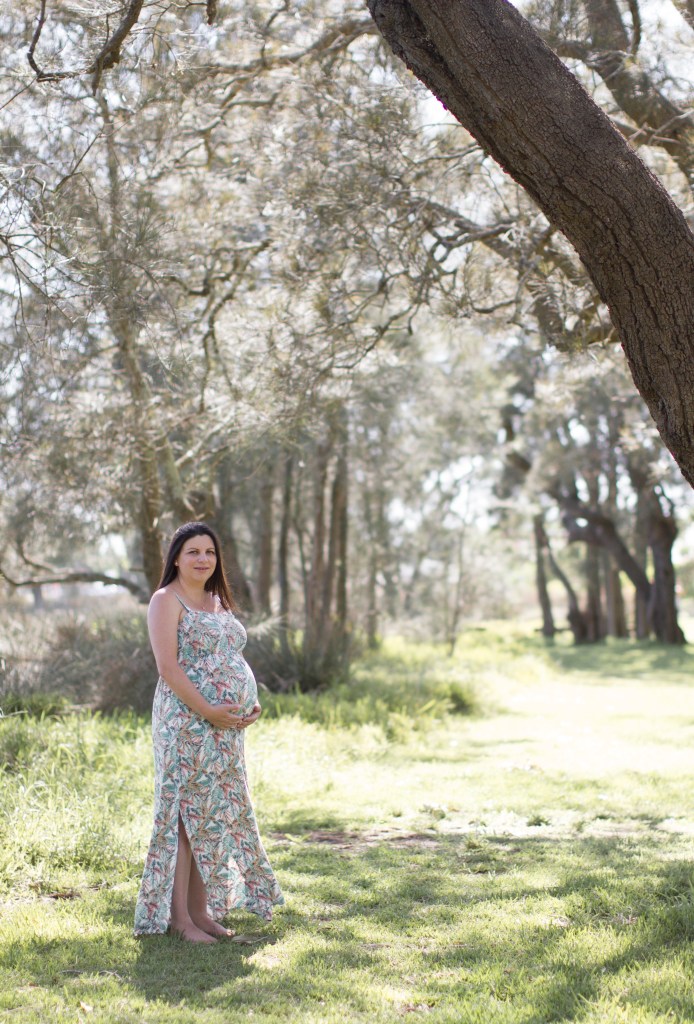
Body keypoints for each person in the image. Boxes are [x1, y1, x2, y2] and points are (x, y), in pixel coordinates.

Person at [134, 521, 284, 942]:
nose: (203, 559)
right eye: (193, 551)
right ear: (176, 559)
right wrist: (209, 711)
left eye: (210, 552)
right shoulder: (166, 600)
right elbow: (168, 668)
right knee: (185, 815)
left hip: (223, 726)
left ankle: (202, 913)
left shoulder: (217, 600)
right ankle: (180, 920)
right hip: (185, 722)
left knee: (211, 813)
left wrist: (247, 703)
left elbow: (228, 656)